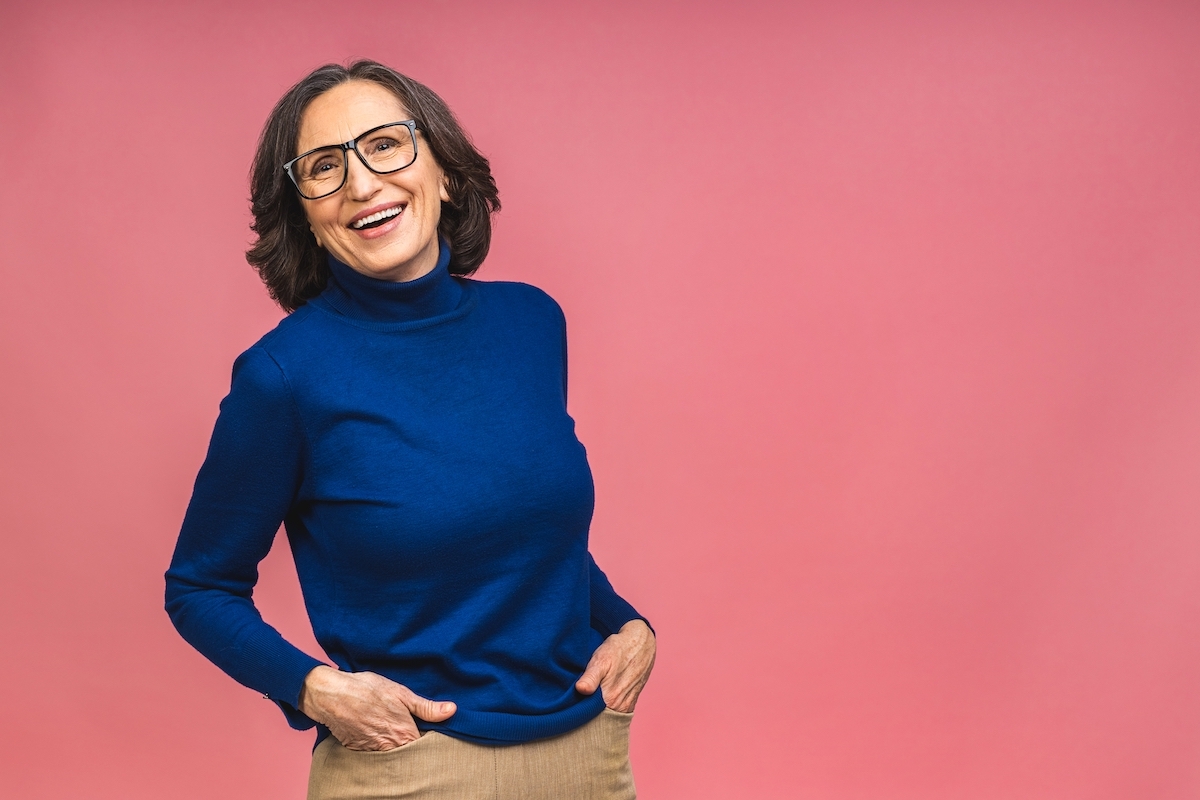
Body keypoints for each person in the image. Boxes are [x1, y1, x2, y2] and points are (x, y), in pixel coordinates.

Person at [164, 59, 656, 800]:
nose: (362, 184)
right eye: (324, 168)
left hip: (586, 755)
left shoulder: (530, 323)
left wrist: (629, 626)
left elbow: (521, 537)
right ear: (304, 214)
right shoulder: (284, 375)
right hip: (409, 767)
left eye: (386, 145)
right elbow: (198, 588)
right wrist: (315, 689)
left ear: (445, 170)